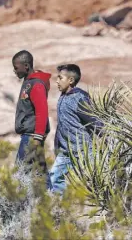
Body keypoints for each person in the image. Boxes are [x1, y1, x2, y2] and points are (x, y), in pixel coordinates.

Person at [50, 64, 104, 195]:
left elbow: (94, 122)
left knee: (97, 183)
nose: (57, 81)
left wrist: (107, 137)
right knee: (53, 179)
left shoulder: (79, 99)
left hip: (83, 152)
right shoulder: (62, 97)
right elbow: (62, 124)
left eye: (60, 78)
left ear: (71, 80)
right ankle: (58, 211)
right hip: (65, 153)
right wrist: (57, 146)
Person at [12, 50, 51, 182]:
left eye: (16, 68)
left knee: (21, 172)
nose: (14, 71)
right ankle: (51, 197)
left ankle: (19, 201)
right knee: (40, 171)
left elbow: (42, 111)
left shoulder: (36, 85)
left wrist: (37, 137)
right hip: (30, 135)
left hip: (31, 136)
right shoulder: (28, 82)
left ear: (26, 66)